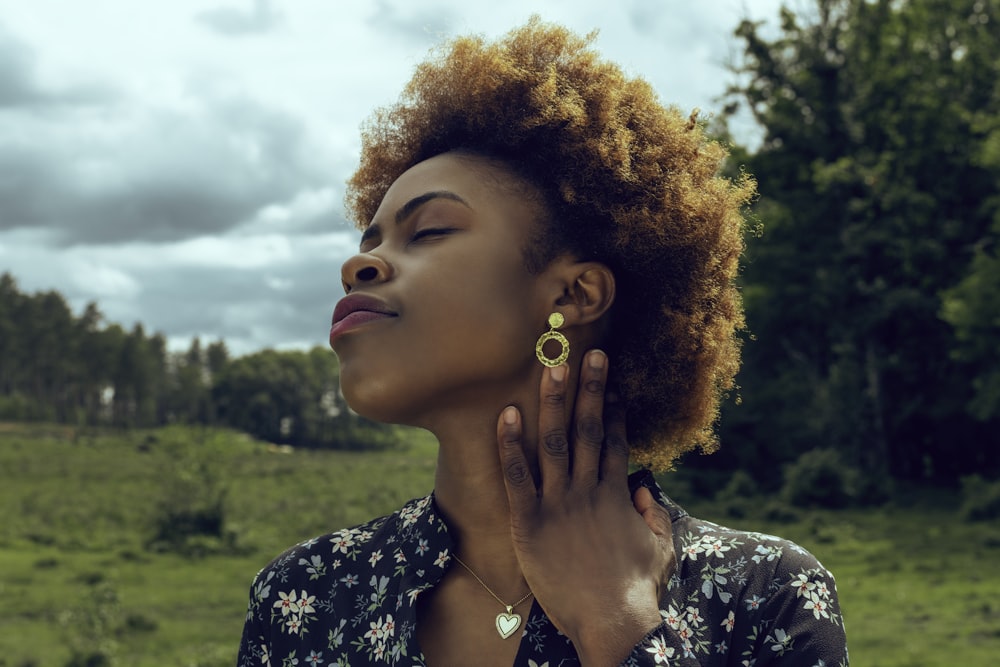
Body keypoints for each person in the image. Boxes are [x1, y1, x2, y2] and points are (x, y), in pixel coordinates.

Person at [237, 19, 848, 667]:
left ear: (575, 295)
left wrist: (618, 623)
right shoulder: (304, 597)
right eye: (371, 241)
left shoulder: (762, 595)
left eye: (430, 230)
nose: (360, 266)